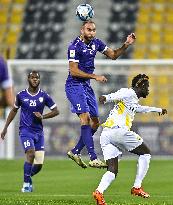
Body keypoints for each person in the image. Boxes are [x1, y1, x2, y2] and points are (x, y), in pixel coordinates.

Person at [65, 20, 136, 169]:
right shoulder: (74, 46)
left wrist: (126, 44)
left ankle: (75, 151)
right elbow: (73, 71)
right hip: (74, 85)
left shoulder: (96, 43)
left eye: (94, 30)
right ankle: (93, 158)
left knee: (95, 123)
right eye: (89, 30)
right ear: (82, 30)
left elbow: (114, 55)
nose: (92, 33)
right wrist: (95, 76)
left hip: (86, 86)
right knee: (85, 118)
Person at [92, 74, 167, 204]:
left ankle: (99, 192)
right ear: (140, 85)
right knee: (146, 153)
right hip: (119, 131)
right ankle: (137, 187)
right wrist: (105, 98)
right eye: (147, 86)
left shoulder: (131, 100)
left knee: (112, 170)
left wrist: (157, 109)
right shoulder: (128, 92)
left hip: (106, 135)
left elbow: (139, 109)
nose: (148, 89)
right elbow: (113, 96)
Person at [1, 70, 59, 192]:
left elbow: (56, 111)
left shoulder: (44, 96)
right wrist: (5, 127)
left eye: (37, 78)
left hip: (39, 133)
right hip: (25, 131)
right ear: (28, 79)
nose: (34, 79)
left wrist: (43, 116)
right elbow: (13, 111)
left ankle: (27, 178)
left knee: (39, 165)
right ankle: (26, 185)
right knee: (30, 154)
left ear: (39, 80)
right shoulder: (21, 95)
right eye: (32, 77)